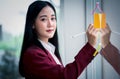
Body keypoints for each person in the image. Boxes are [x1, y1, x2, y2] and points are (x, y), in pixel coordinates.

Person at [19, 1, 99, 79]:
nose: (50, 24)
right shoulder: (33, 54)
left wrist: (98, 47)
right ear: (33, 24)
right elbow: (64, 76)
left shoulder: (50, 50)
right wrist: (90, 45)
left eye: (53, 18)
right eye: (44, 19)